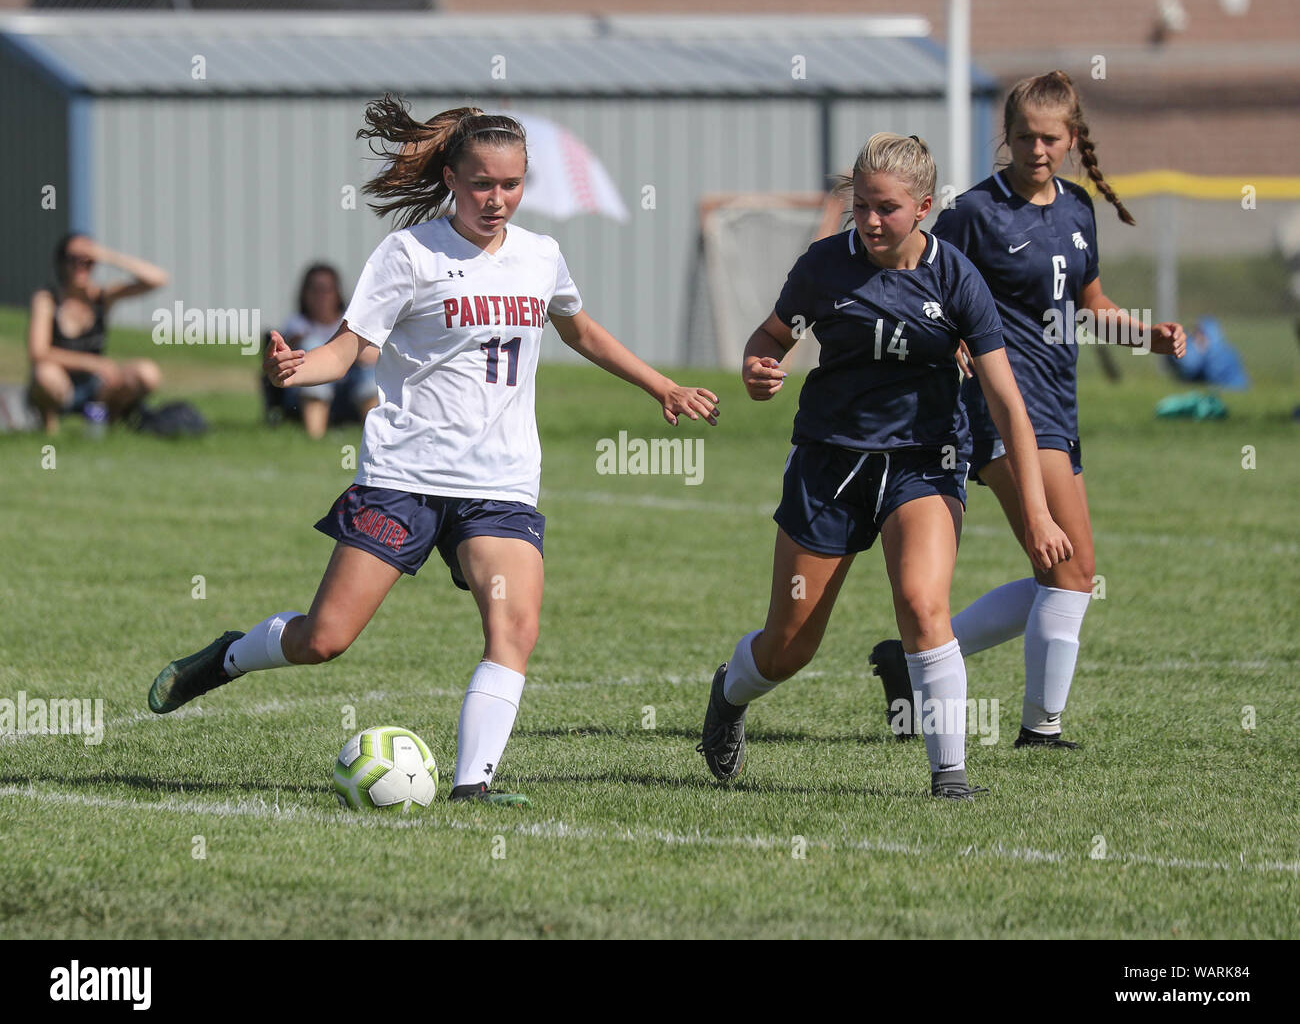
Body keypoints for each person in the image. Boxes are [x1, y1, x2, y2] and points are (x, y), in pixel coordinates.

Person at [147, 98, 720, 806]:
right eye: (482, 183)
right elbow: (355, 347)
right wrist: (297, 371)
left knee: (514, 627)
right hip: (404, 477)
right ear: (451, 176)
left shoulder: (541, 257)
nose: (497, 199)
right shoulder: (410, 254)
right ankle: (230, 655)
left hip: (501, 485)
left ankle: (471, 787)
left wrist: (661, 386)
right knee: (326, 639)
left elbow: (580, 331)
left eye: (511, 185)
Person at [696, 133, 1071, 801]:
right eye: (860, 206)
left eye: (887, 208)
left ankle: (949, 777)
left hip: (924, 464)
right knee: (789, 648)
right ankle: (729, 696)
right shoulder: (823, 267)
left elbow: (1008, 402)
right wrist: (759, 369)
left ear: (923, 207)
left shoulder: (955, 276)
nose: (870, 221)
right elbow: (772, 337)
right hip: (829, 465)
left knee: (923, 604)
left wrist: (1038, 512)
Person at [870, 71, 1186, 748]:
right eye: (1022, 137)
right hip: (999, 407)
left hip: (1058, 405)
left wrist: (1145, 335)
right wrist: (945, 343)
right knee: (1070, 570)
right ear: (1005, 138)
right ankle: (1040, 730)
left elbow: (1091, 305)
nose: (1036, 149)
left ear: (1072, 139)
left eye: (1049, 137)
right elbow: (924, 282)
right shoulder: (973, 213)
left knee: (1065, 573)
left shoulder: (1076, 208)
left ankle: (916, 655)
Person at [27, 234, 168, 434]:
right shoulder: (47, 299)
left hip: (96, 386)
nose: (80, 265)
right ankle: (49, 430)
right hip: (59, 383)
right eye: (73, 259)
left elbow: (158, 279)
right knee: (45, 373)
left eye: (87, 260)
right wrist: (93, 363)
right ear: (61, 262)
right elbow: (38, 353)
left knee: (147, 373)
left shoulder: (102, 297)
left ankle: (109, 425)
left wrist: (107, 256)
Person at [271, 263, 380, 438]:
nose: (321, 296)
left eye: (327, 290)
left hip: (351, 390)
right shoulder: (297, 324)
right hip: (307, 390)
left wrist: (355, 352)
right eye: (315, 290)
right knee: (311, 344)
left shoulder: (352, 323)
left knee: (366, 362)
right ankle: (315, 436)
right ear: (305, 294)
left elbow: (379, 356)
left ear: (337, 293)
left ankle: (373, 435)